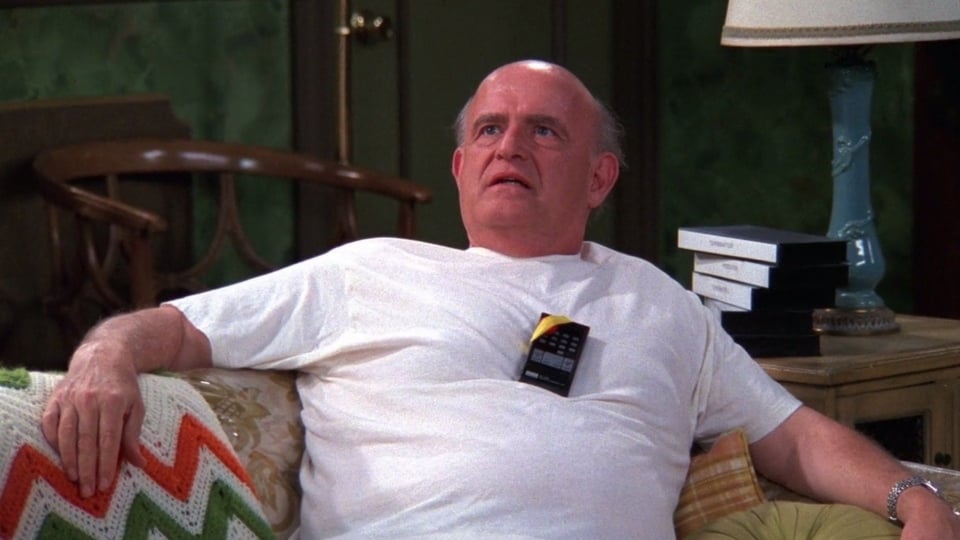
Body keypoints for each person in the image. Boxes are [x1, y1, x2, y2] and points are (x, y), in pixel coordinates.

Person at [41, 60, 959, 538]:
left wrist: (916, 500)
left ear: (599, 177)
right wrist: (106, 357)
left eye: (543, 130)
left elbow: (795, 436)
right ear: (459, 167)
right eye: (489, 128)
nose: (508, 145)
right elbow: (175, 328)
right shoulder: (368, 271)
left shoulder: (658, 302)